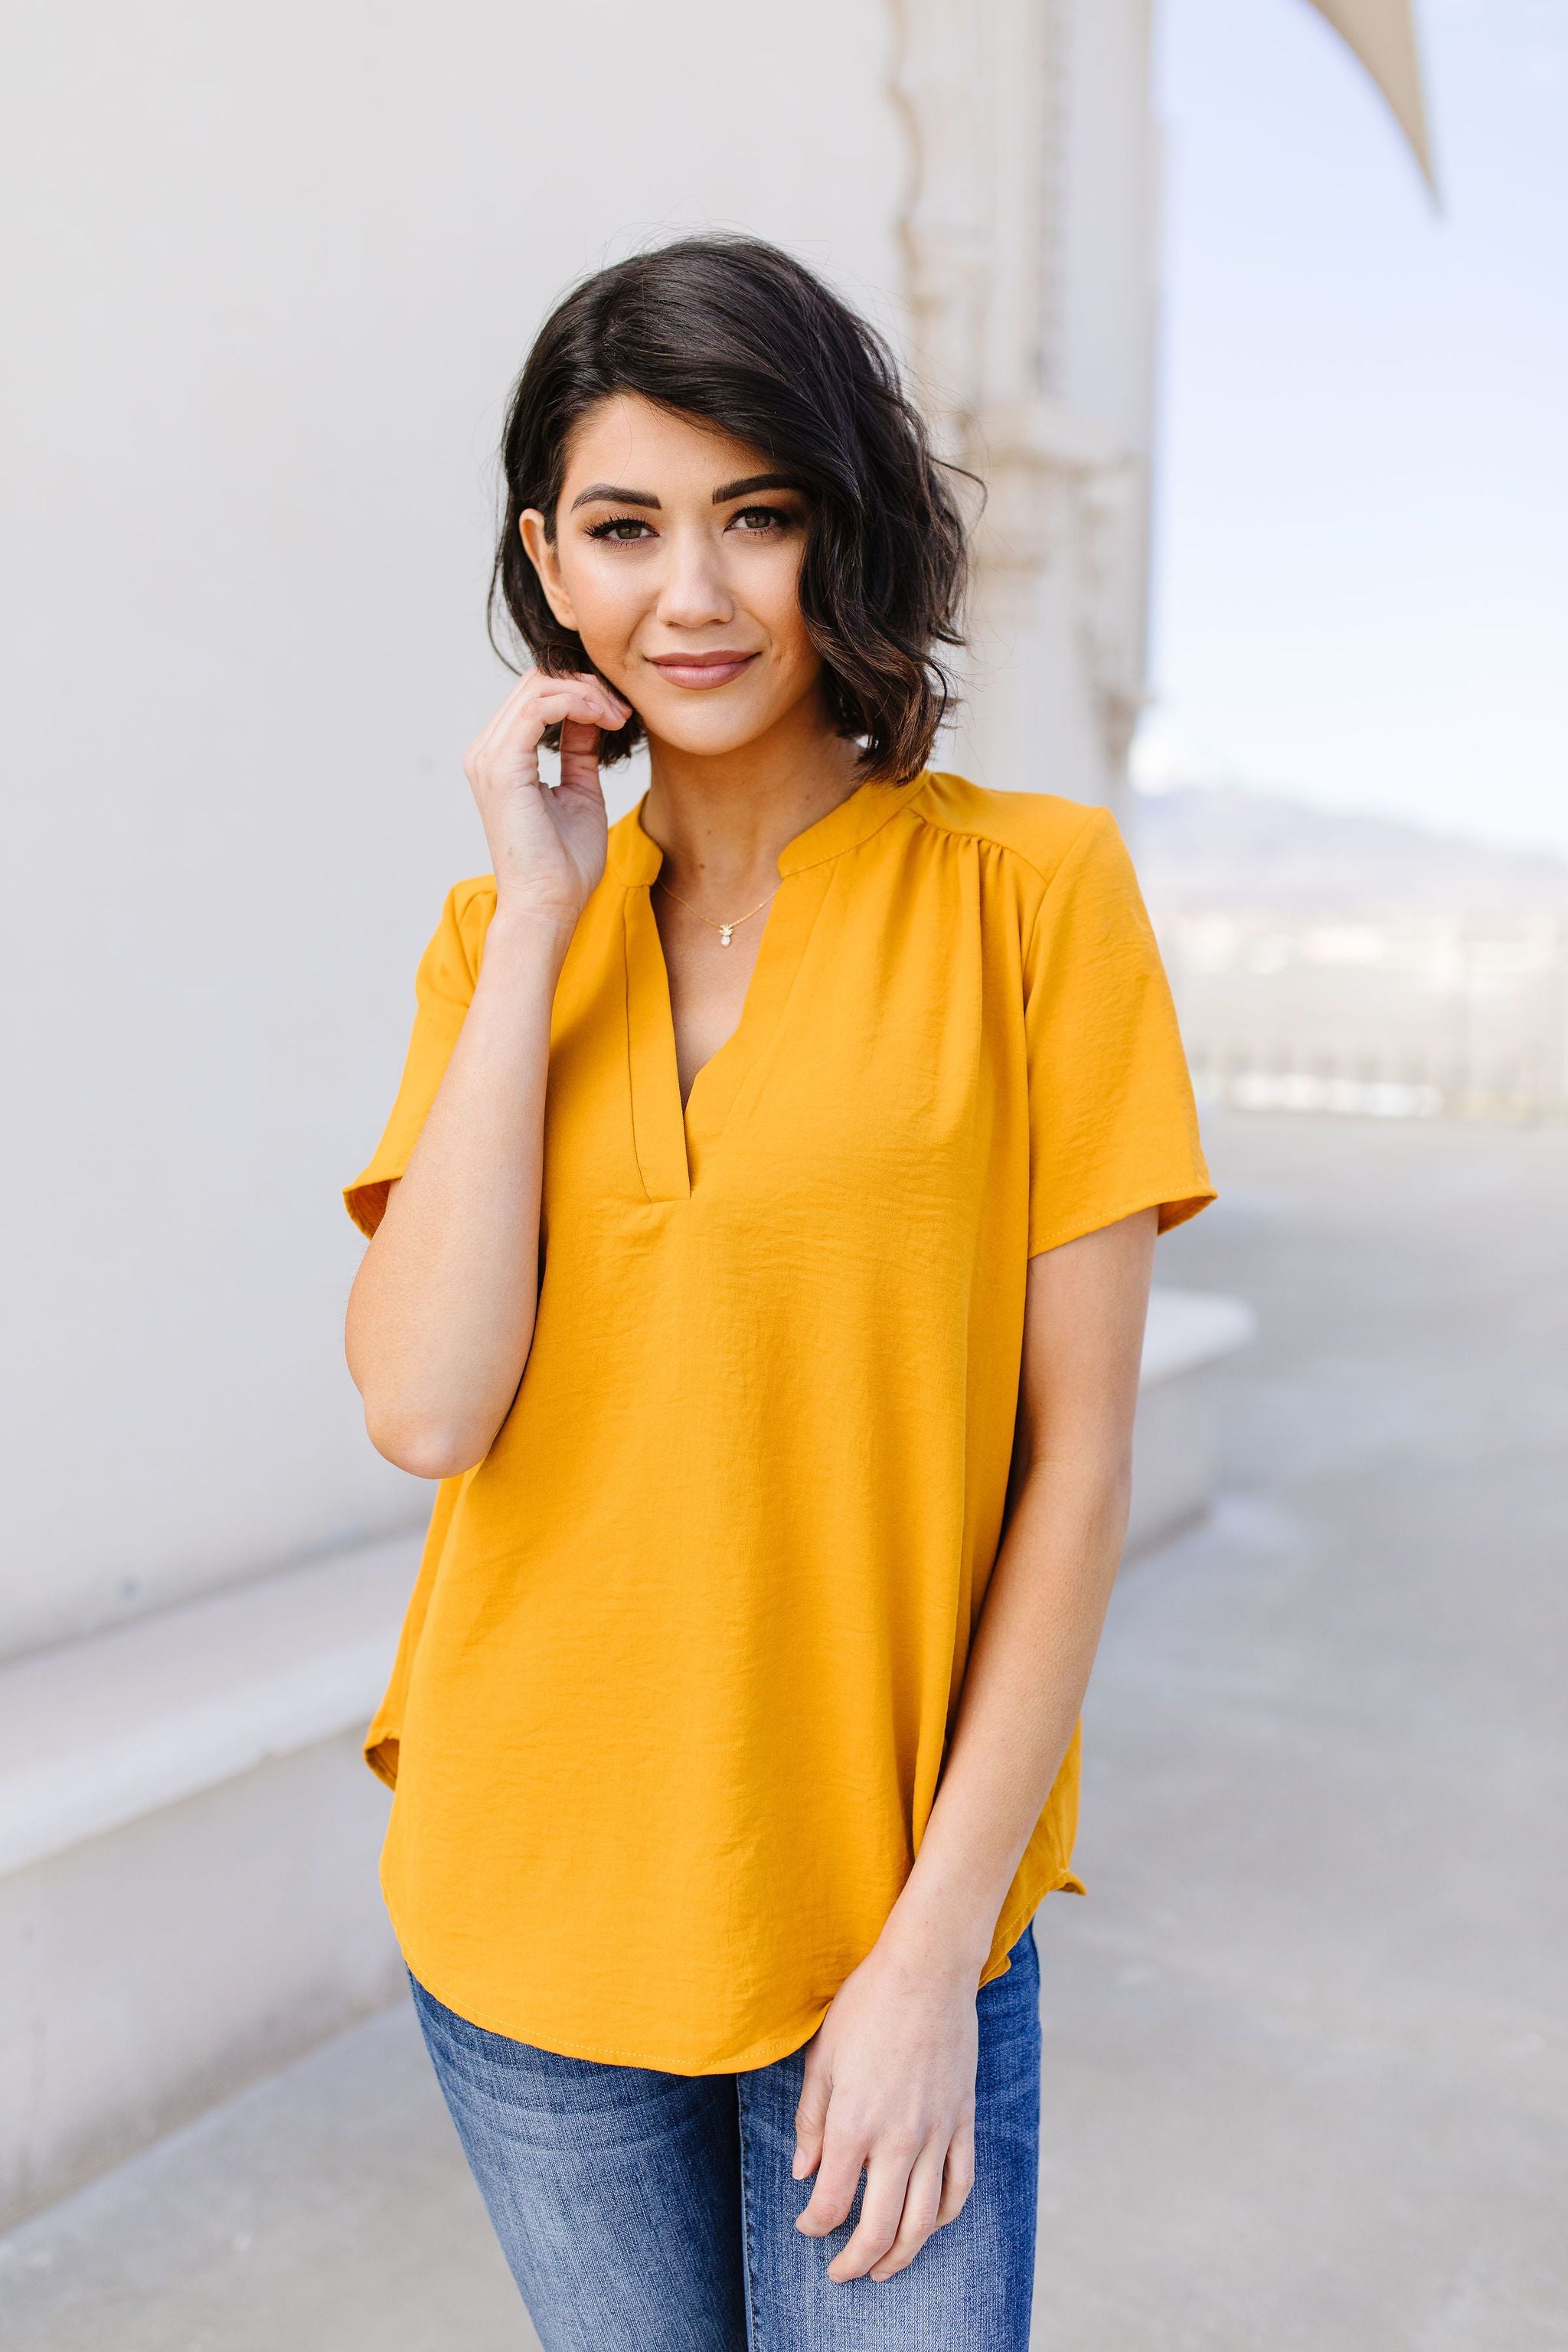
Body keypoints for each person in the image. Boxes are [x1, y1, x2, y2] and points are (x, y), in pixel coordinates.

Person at [342, 234, 1214, 2352]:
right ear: (552, 566)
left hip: (875, 1921)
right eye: (628, 530)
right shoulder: (500, 946)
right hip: (528, 1900)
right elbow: (430, 1411)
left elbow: (1077, 1466)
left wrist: (931, 1961)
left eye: (760, 515)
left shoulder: (1038, 896)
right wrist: (545, 920)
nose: (698, 596)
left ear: (847, 527)